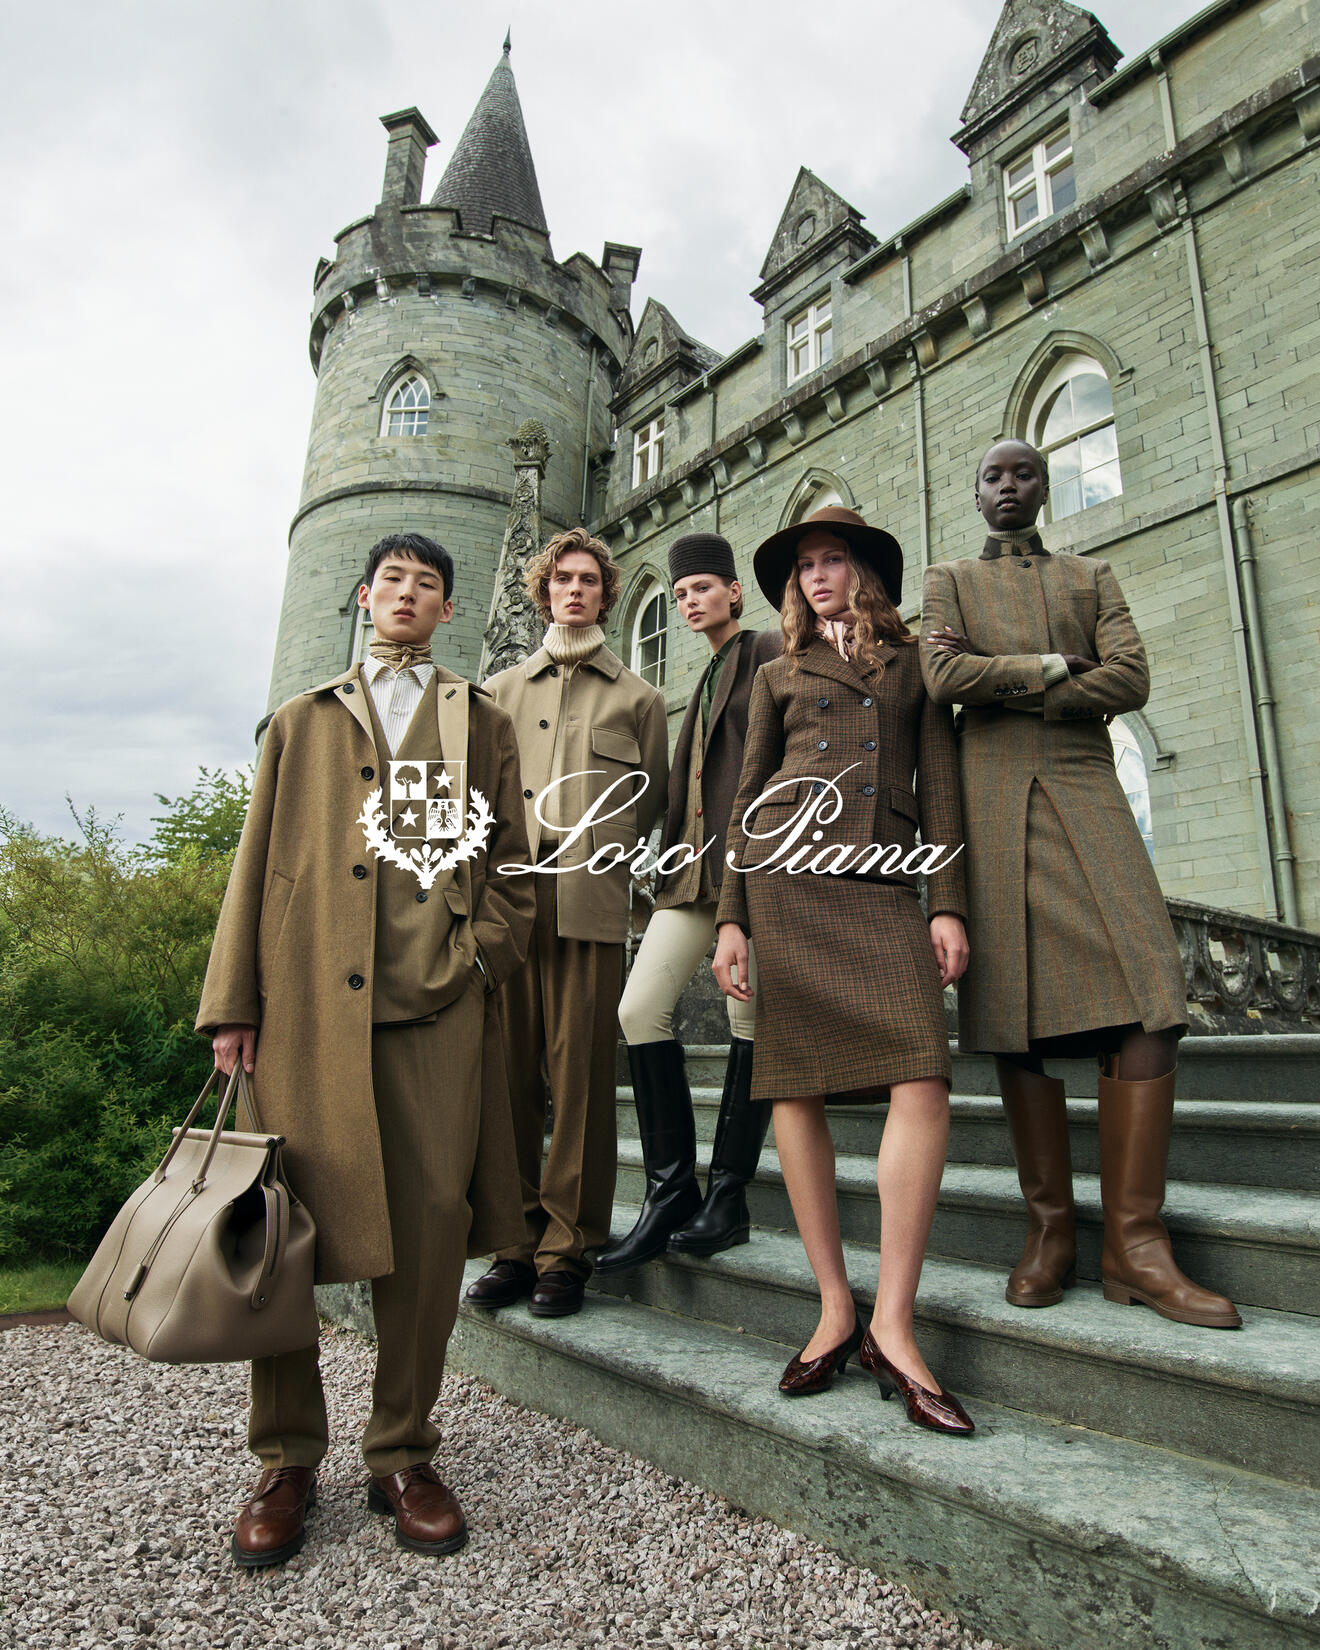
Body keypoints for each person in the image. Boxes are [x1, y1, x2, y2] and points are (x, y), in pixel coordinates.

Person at [198, 531, 536, 1567]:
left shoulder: (481, 720)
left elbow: (514, 865)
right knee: (282, 1236)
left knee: (431, 1232)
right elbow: (255, 861)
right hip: (304, 1012)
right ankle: (286, 1458)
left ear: (447, 610)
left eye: (428, 584)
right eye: (393, 579)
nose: (408, 594)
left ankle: (402, 1452)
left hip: (436, 1013)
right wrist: (233, 1005)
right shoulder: (301, 720)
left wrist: (480, 959)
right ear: (363, 598)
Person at [920, 440, 1239, 1328]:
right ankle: (1050, 1232)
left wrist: (1005, 678)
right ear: (976, 494)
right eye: (993, 476)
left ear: (1044, 487)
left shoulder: (1091, 575)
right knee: (1012, 1006)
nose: (1009, 486)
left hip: (1087, 780)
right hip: (990, 795)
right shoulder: (948, 581)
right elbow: (942, 676)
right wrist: (1062, 666)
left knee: (1153, 991)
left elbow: (1132, 677)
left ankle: (1136, 1243)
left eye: (1024, 473)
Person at [712, 506, 975, 1434]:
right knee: (795, 1086)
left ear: (864, 571)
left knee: (923, 1075)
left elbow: (942, 786)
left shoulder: (914, 665)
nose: (817, 576)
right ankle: (833, 1306)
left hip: (882, 880)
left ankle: (892, 1323)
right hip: (784, 883)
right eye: (804, 566)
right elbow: (746, 800)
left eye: (833, 560)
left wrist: (946, 901)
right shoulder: (776, 674)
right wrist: (731, 918)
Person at [465, 529, 669, 1319]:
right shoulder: (498, 692)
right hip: (509, 905)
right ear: (543, 590)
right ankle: (513, 1246)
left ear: (606, 595)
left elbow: (649, 800)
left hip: (590, 900)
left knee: (580, 1081)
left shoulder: (639, 699)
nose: (574, 590)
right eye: (562, 579)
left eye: (588, 580)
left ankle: (566, 1252)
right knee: (507, 1078)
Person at [596, 533, 781, 1272]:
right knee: (639, 1009)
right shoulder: (703, 676)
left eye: (702, 587)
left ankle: (728, 1196)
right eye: (678, 594)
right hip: (691, 873)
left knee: (748, 1022)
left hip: (753, 872)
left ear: (734, 591)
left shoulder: (768, 650)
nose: (689, 601)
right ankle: (671, 1190)